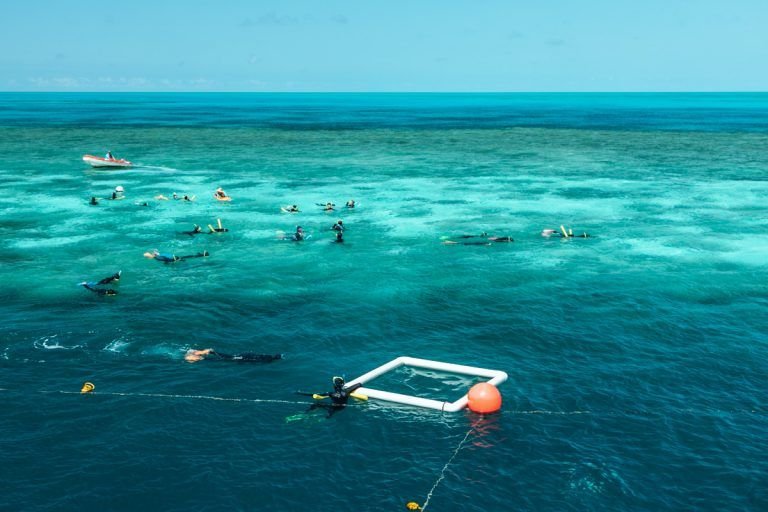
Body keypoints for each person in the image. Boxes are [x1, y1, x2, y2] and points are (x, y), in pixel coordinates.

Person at [144, 249, 209, 262]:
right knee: (187, 257)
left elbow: (164, 260)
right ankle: (202, 255)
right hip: (172, 258)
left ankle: (202, 255)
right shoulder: (157, 257)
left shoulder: (158, 256)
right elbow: (164, 259)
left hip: (173, 258)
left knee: (187, 256)